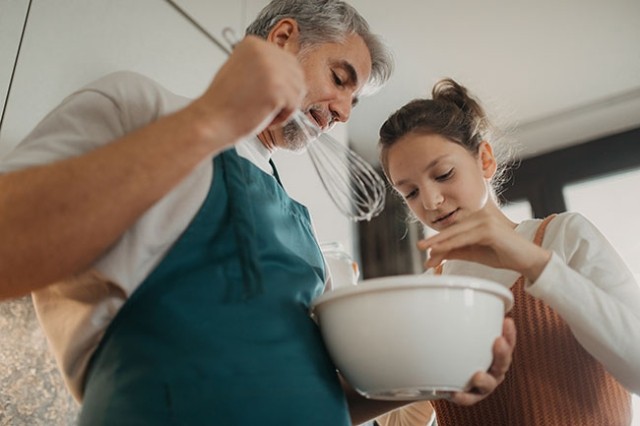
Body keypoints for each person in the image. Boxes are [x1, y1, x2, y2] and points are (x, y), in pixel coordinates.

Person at [0, 1, 515, 424]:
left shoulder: (300, 225)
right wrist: (215, 115)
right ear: (283, 39)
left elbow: (312, 388)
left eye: (353, 101)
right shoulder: (139, 107)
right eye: (340, 78)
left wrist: (439, 376)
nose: (342, 112)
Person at [375, 78, 640, 425]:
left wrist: (535, 265)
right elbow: (407, 420)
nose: (430, 202)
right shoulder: (431, 289)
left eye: (443, 174)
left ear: (484, 160)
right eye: (409, 192)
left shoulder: (564, 237)